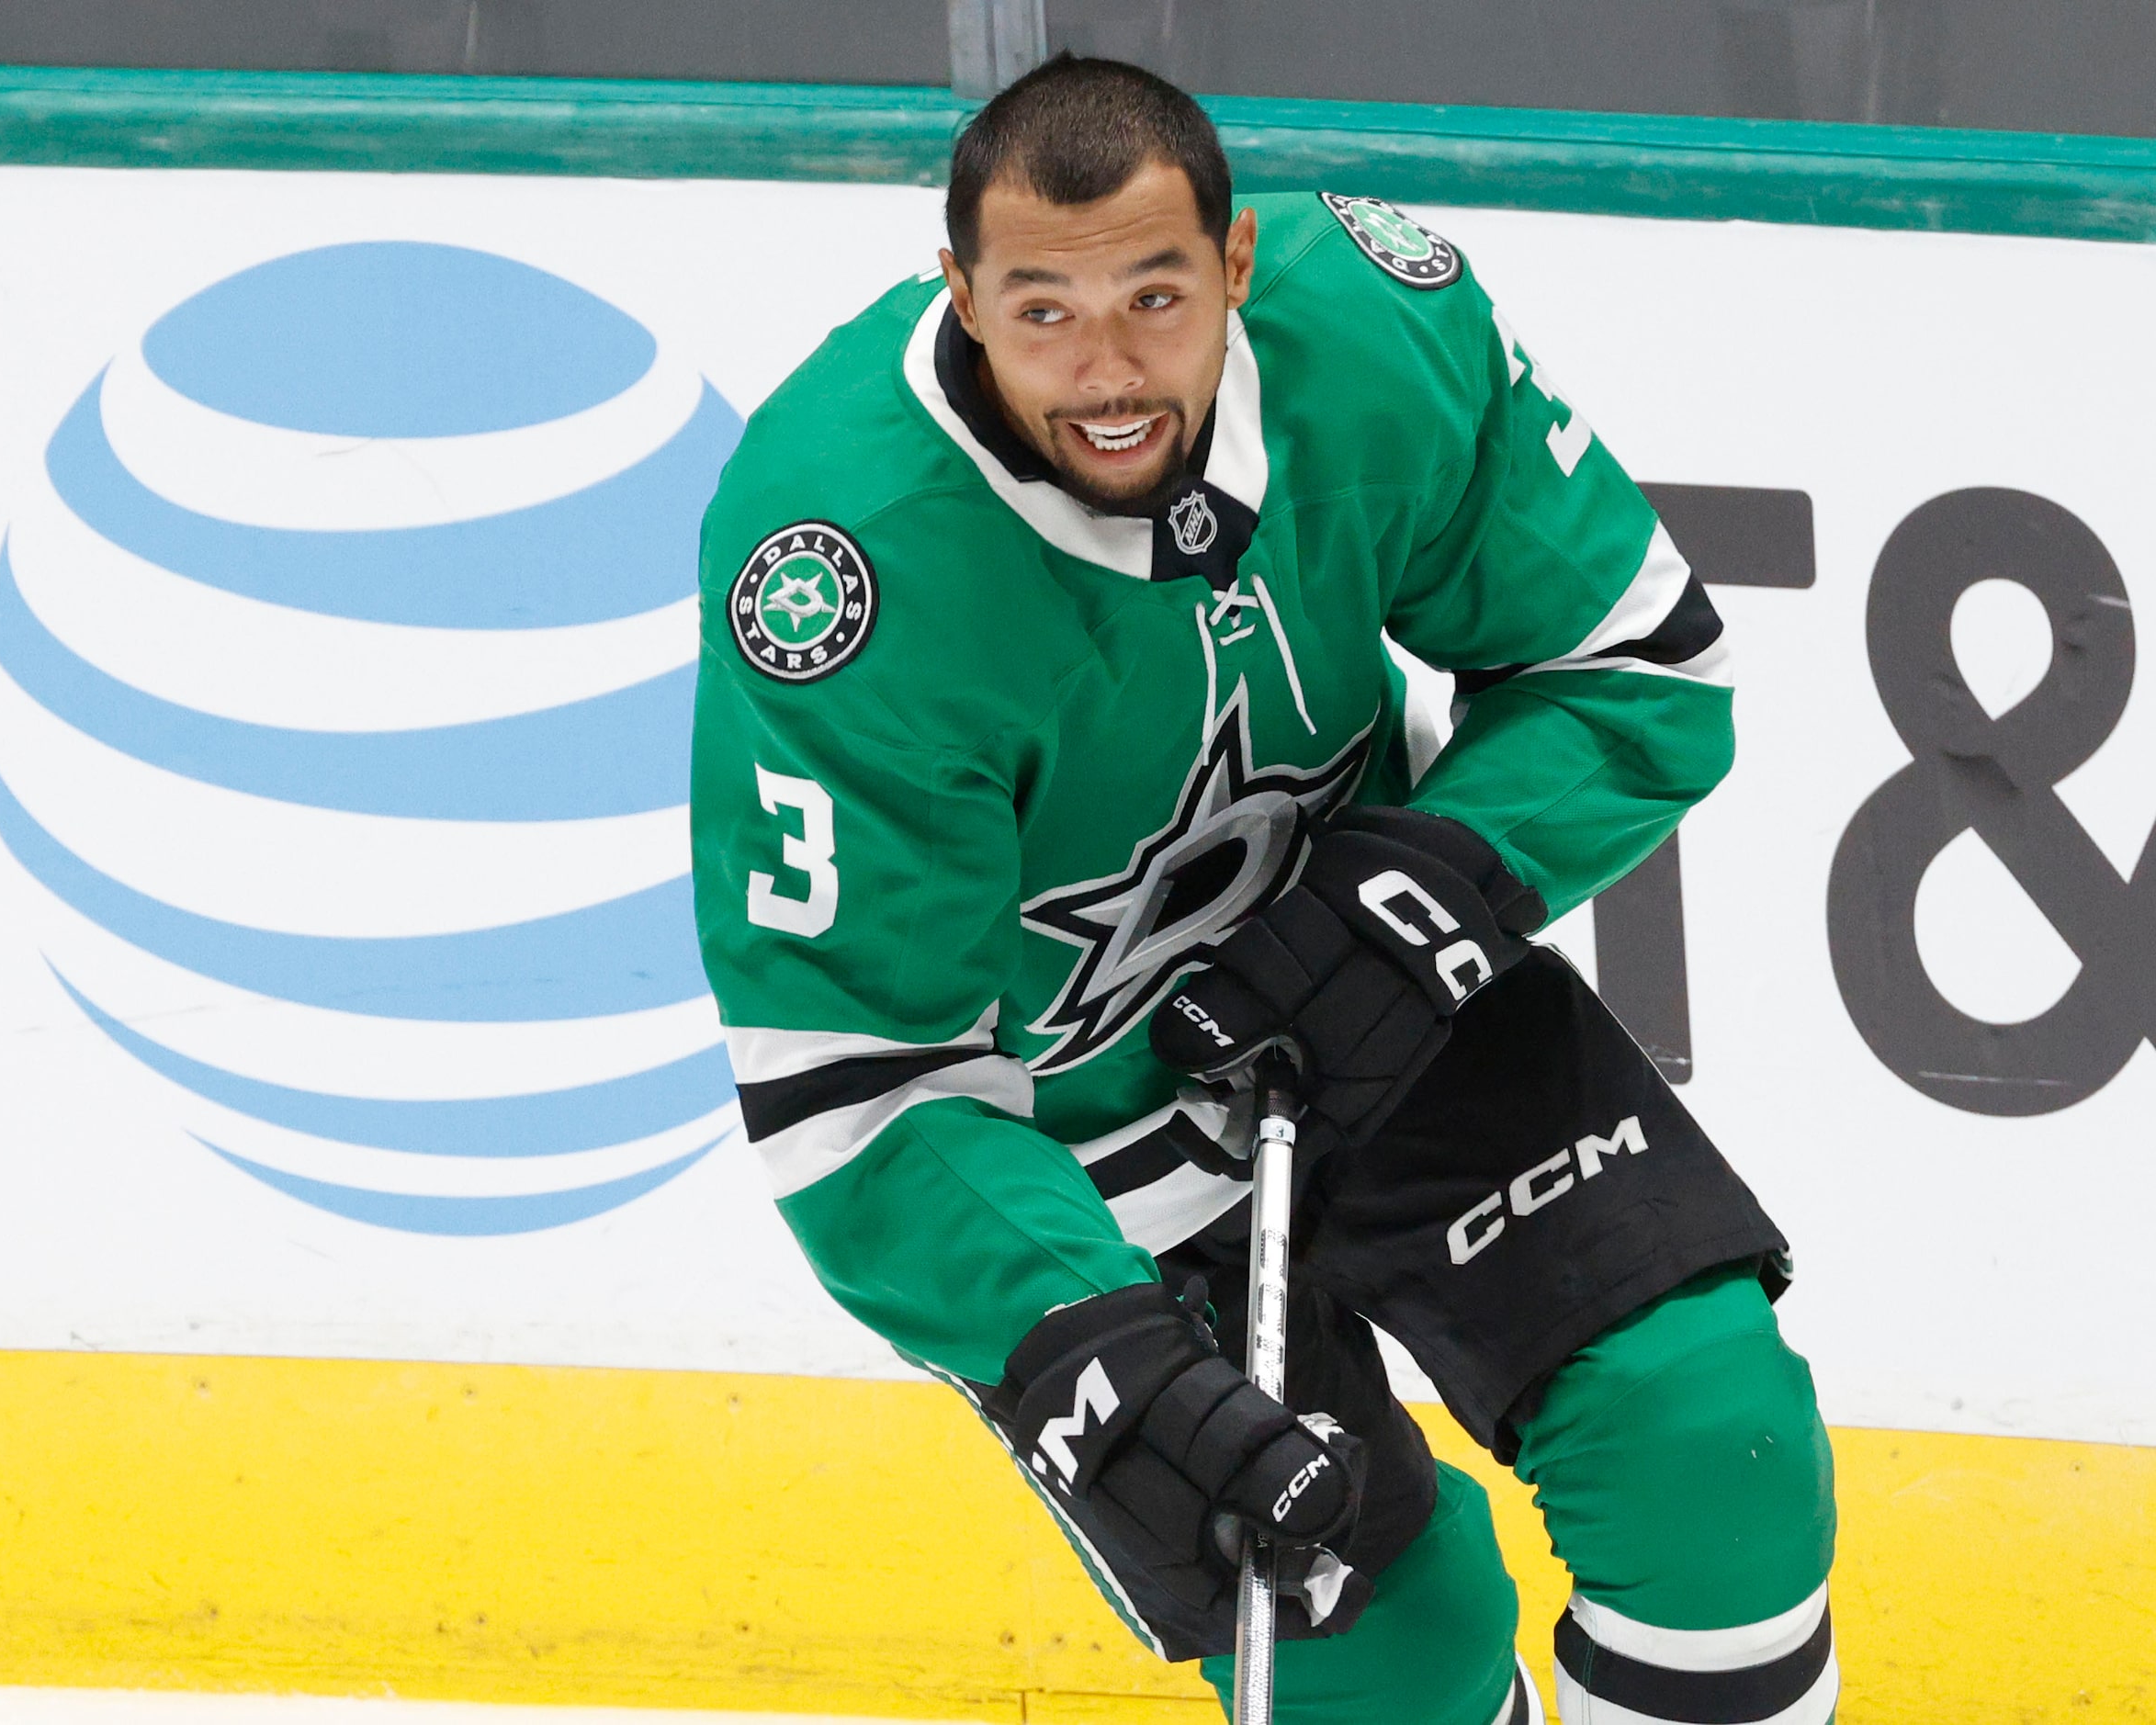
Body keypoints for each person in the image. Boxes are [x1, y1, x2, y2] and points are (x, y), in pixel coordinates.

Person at [689, 54, 1836, 1725]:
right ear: (958, 295)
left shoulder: (1373, 332)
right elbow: (858, 1085)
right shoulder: (839, 565)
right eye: (1044, 312)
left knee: (1704, 1439)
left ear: (1237, 266)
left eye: (1156, 297)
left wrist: (1434, 875)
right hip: (1078, 1141)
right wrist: (1084, 1335)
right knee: (1376, 1645)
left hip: (1388, 987)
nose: (1105, 372)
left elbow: (1633, 669)